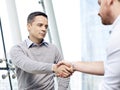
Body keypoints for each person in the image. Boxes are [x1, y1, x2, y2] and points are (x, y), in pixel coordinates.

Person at [57, 0, 120, 90]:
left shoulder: (117, 36)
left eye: (99, 3)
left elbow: (109, 88)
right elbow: (111, 66)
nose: (98, 12)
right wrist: (73, 65)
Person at [10, 11, 73, 90]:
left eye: (46, 26)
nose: (44, 29)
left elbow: (64, 73)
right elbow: (28, 65)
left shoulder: (53, 49)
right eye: (40, 25)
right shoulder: (17, 49)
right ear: (29, 26)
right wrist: (54, 68)